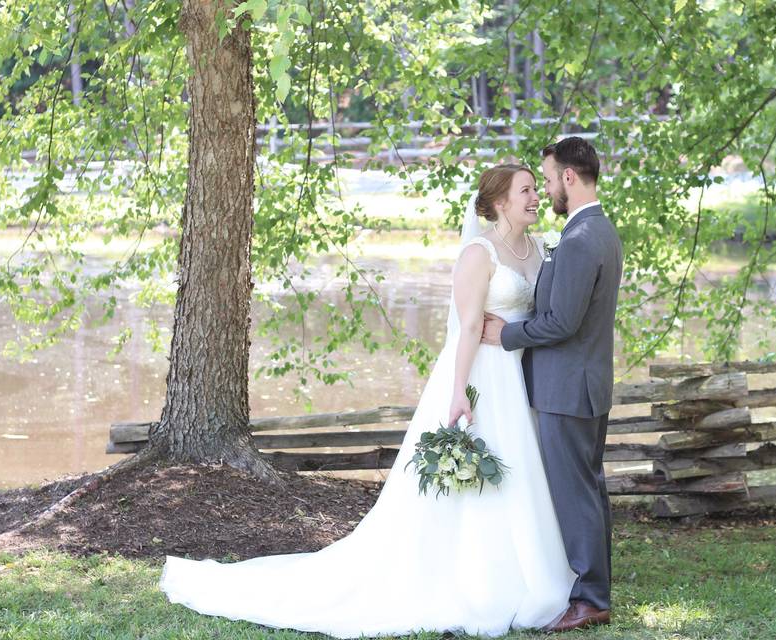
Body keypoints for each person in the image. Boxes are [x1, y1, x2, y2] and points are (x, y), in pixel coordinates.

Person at [160, 164, 577, 637]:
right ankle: (475, 580)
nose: (535, 197)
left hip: (519, 377)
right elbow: (465, 329)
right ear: (501, 201)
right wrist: (459, 391)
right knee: (479, 477)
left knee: (518, 470)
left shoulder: (539, 247)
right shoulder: (478, 253)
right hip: (482, 376)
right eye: (526, 190)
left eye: (533, 189)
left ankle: (527, 571)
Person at [482, 137, 623, 631]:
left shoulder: (583, 239)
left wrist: (507, 335)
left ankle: (590, 598)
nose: (545, 189)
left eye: (545, 179)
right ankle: (592, 588)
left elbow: (561, 322)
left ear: (568, 176)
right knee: (589, 487)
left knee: (575, 492)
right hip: (584, 383)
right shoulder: (597, 230)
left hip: (569, 387)